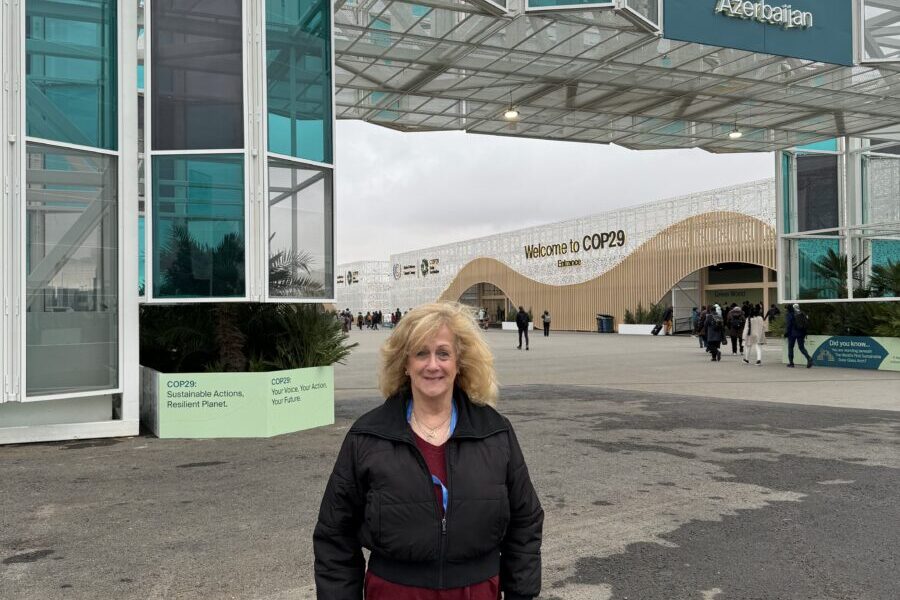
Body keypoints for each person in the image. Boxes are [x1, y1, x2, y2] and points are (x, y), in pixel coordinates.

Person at [313, 302, 544, 600]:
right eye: (421, 353)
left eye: (443, 353)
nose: (432, 365)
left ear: (459, 362)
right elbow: (335, 534)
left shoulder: (495, 432)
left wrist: (521, 595)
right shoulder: (368, 437)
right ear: (405, 364)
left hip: (476, 592)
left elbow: (525, 521)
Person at [785, 303, 813, 368]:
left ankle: (791, 363)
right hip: (801, 333)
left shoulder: (790, 314)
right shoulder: (802, 313)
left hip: (792, 334)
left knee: (790, 347)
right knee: (801, 347)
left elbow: (789, 325)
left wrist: (786, 333)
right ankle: (809, 358)